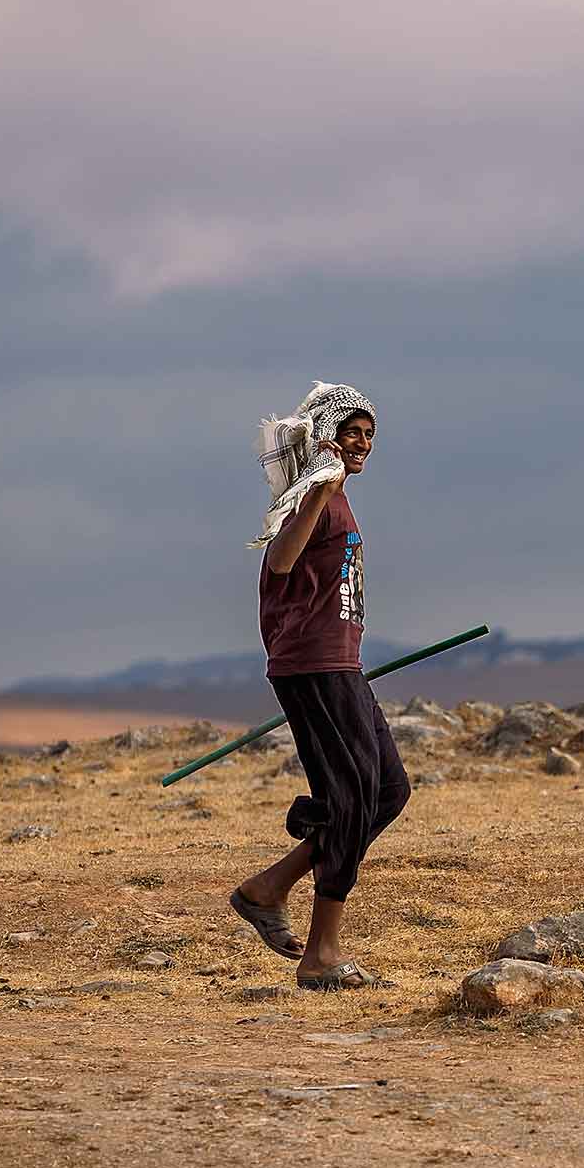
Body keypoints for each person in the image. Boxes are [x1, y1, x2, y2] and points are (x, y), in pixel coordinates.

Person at [228, 382, 410, 989]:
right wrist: (320, 491)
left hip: (339, 662)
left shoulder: (334, 497)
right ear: (323, 436)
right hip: (313, 664)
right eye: (349, 432)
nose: (361, 444)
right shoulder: (316, 497)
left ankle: (268, 887)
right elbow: (280, 561)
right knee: (353, 799)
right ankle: (321, 956)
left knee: (386, 790)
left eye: (368, 435)